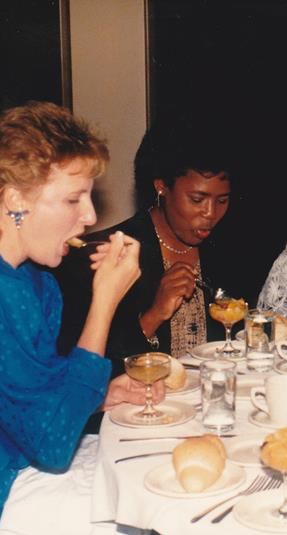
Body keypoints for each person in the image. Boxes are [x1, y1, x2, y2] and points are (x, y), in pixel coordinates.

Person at [0, 101, 156, 535]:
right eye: (72, 198)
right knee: (135, 512)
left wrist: (100, 395)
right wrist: (105, 302)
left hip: (15, 462)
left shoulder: (29, 276)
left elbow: (34, 395)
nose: (91, 216)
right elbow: (52, 442)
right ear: (14, 200)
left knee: (147, 474)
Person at [56, 117, 236, 376]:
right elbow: (87, 372)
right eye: (197, 199)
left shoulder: (226, 252)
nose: (210, 214)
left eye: (222, 201)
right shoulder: (105, 256)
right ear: (161, 187)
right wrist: (154, 315)